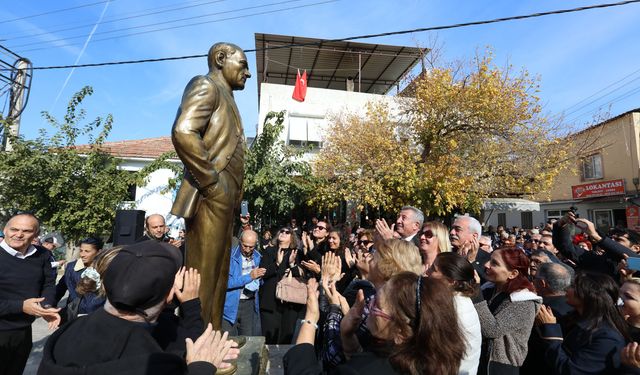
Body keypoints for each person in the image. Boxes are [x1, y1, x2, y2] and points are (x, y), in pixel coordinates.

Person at [38, 240, 239, 374]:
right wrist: (201, 367)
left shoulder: (66, 333)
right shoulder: (154, 363)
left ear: (106, 285)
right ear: (170, 294)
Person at [170, 41, 251, 329]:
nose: (248, 73)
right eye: (243, 64)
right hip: (212, 193)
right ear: (220, 59)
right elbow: (183, 131)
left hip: (225, 197)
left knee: (218, 273)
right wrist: (212, 183)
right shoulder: (206, 86)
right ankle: (200, 342)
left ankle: (214, 335)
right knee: (203, 274)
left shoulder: (228, 96)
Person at [284, 273, 466, 375]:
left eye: (377, 304)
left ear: (401, 332)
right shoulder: (431, 361)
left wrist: (310, 318)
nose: (367, 307)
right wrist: (347, 336)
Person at [0, 213, 60, 375]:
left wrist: (46, 307)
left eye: (26, 231)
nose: (19, 234)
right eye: (14, 229)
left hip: (23, 332)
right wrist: (21, 306)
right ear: (4, 230)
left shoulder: (42, 255)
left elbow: (48, 284)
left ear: (36, 234)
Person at [536, 272, 630, 374]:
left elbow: (570, 370)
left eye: (573, 286)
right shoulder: (574, 318)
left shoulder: (608, 338)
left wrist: (551, 332)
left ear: (588, 294)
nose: (566, 289)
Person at [473, 247, 541, 374]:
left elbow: (492, 329)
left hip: (499, 367)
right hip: (478, 360)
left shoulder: (523, 301)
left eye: (495, 263)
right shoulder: (490, 288)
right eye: (489, 260)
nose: (486, 265)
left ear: (513, 274)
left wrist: (476, 294)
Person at [429, 252, 482, 375]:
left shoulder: (452, 310)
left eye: (433, 270)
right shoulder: (455, 300)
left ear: (451, 281)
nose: (427, 272)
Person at [521, 262, 574, 375]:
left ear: (542, 283)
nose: (532, 281)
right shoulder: (575, 308)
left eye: (534, 278)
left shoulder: (538, 309)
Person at [259, 226, 304, 344]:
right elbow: (263, 273)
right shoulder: (269, 251)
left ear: (292, 237)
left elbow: (300, 278)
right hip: (270, 303)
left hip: (290, 304)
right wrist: (277, 264)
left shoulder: (296, 253)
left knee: (285, 341)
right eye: (281, 231)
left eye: (287, 232)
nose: (283, 233)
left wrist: (292, 264)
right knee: (269, 341)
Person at [223, 230, 265, 336]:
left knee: (247, 342)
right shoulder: (229, 256)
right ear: (240, 241)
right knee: (229, 342)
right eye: (245, 245)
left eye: (251, 247)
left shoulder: (257, 257)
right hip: (230, 305)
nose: (247, 250)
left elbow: (260, 282)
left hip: (249, 304)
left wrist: (259, 279)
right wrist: (249, 277)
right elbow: (225, 283)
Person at [55, 237, 104, 317]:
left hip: (99, 315)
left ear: (98, 252)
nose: (82, 254)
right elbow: (60, 288)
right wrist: (48, 306)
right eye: (81, 250)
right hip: (75, 314)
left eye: (87, 251)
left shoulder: (105, 268)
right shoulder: (71, 268)